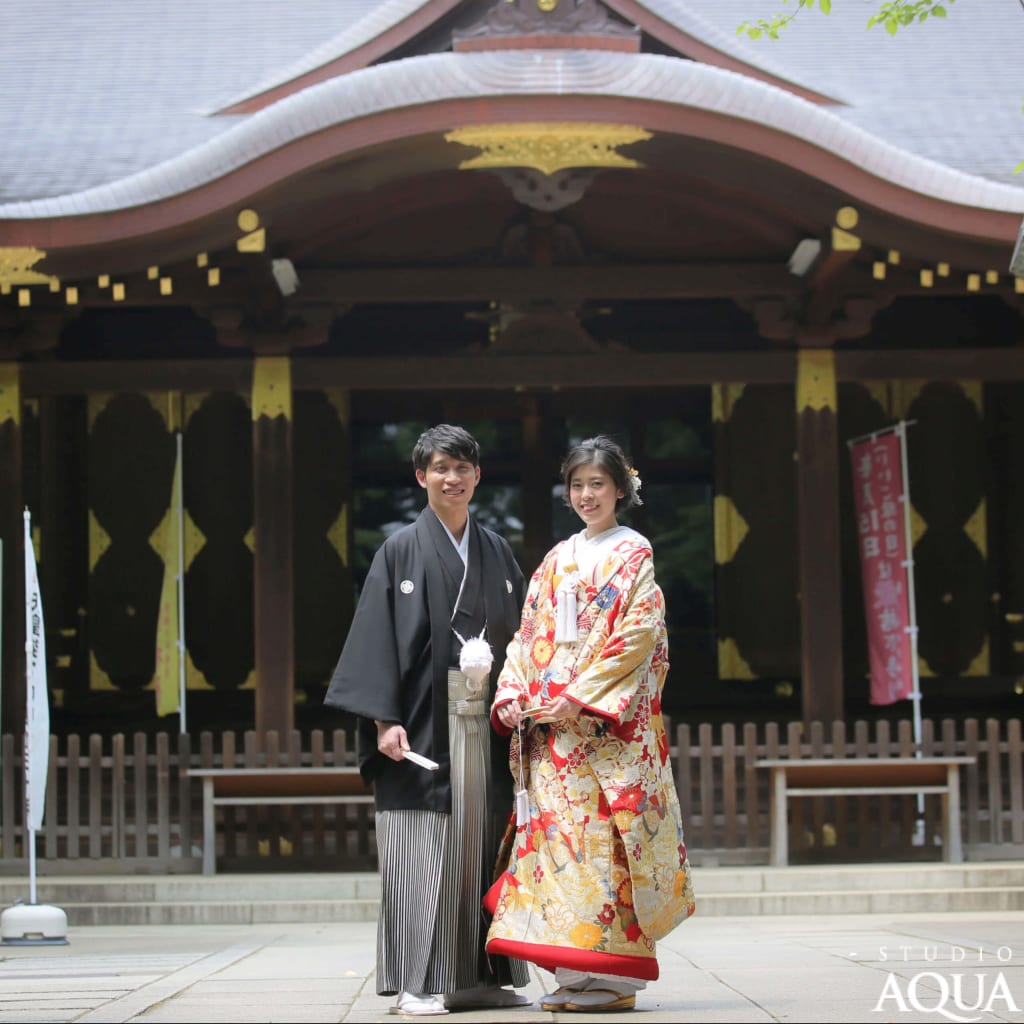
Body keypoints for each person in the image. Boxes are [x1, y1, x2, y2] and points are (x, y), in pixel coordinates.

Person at [484, 435, 695, 1013]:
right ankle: (575, 974)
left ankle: (616, 979)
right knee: (559, 850)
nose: (585, 495)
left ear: (620, 489)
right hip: (554, 736)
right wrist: (512, 692)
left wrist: (579, 697)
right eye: (576, 485)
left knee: (605, 848)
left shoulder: (635, 553)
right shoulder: (556, 558)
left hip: (603, 735)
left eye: (596, 484)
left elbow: (639, 636)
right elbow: (528, 636)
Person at [324, 424, 530, 1016]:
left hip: (487, 725)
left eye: (463, 467)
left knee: (482, 850)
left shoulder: (496, 550)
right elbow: (375, 639)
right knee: (424, 855)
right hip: (421, 726)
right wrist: (383, 720)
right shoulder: (400, 550)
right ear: (422, 477)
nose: (453, 478)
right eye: (441, 468)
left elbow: (522, 639)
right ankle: (418, 982)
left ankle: (478, 978)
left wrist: (516, 695)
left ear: (477, 476)